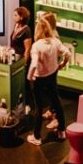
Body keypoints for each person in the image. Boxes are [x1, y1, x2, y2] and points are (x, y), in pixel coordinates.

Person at [27, 17, 72, 145]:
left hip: (39, 78)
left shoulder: (36, 46)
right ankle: (62, 131)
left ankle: (36, 136)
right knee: (56, 101)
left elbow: (34, 63)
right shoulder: (55, 41)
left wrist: (29, 77)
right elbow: (68, 53)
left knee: (39, 106)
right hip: (52, 74)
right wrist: (62, 64)